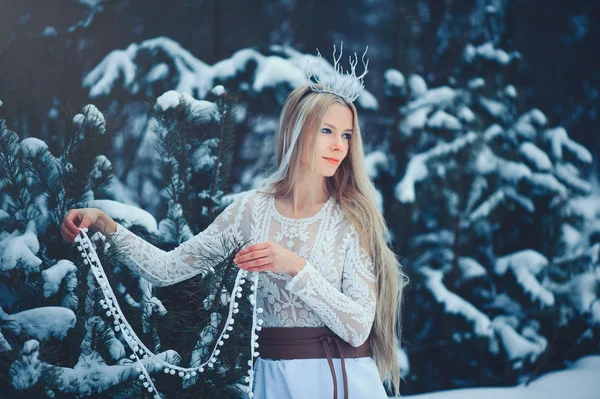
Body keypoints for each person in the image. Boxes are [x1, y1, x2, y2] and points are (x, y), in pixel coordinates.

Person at [61, 82, 405, 398]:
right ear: (296, 132)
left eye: (346, 135)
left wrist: (296, 267)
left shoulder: (352, 217)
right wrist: (106, 225)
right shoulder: (252, 211)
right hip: (276, 380)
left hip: (341, 380)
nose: (338, 146)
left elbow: (359, 327)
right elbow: (165, 269)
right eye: (327, 130)